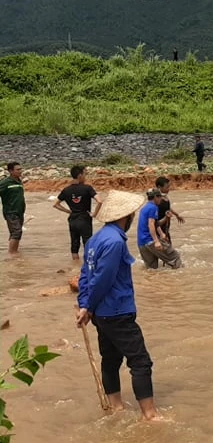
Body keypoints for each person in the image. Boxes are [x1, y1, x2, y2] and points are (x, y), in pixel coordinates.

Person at [76, 190, 162, 421]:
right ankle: (150, 415)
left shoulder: (95, 240)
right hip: (116, 311)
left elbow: (85, 276)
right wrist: (88, 306)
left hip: (101, 314)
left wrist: (85, 305)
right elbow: (103, 279)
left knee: (111, 359)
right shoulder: (115, 242)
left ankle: (116, 407)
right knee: (140, 361)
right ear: (126, 216)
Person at [54, 165, 102, 260]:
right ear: (80, 175)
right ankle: (87, 266)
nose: (85, 177)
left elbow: (56, 204)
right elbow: (100, 201)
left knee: (74, 246)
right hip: (84, 220)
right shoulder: (87, 188)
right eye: (85, 174)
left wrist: (69, 211)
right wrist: (94, 214)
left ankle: (75, 265)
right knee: (88, 245)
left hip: (72, 220)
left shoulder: (66, 190)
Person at [137, 189, 183, 269]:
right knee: (175, 258)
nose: (161, 199)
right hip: (150, 240)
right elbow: (151, 224)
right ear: (155, 197)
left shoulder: (145, 207)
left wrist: (161, 234)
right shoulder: (153, 207)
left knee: (152, 269)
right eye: (160, 197)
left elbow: (155, 223)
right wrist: (157, 241)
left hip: (141, 243)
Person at [0, 162, 26, 255]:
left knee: (16, 233)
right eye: (18, 169)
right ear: (10, 171)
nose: (20, 171)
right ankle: (12, 254)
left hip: (20, 211)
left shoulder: (19, 181)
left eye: (21, 169)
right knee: (17, 232)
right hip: (10, 212)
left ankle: (14, 252)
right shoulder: (5, 183)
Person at [155, 177, 185, 244]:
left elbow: (168, 208)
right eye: (167, 187)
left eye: (169, 187)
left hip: (165, 228)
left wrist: (177, 215)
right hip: (160, 231)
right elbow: (155, 223)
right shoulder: (158, 201)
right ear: (159, 187)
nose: (169, 189)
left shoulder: (165, 197)